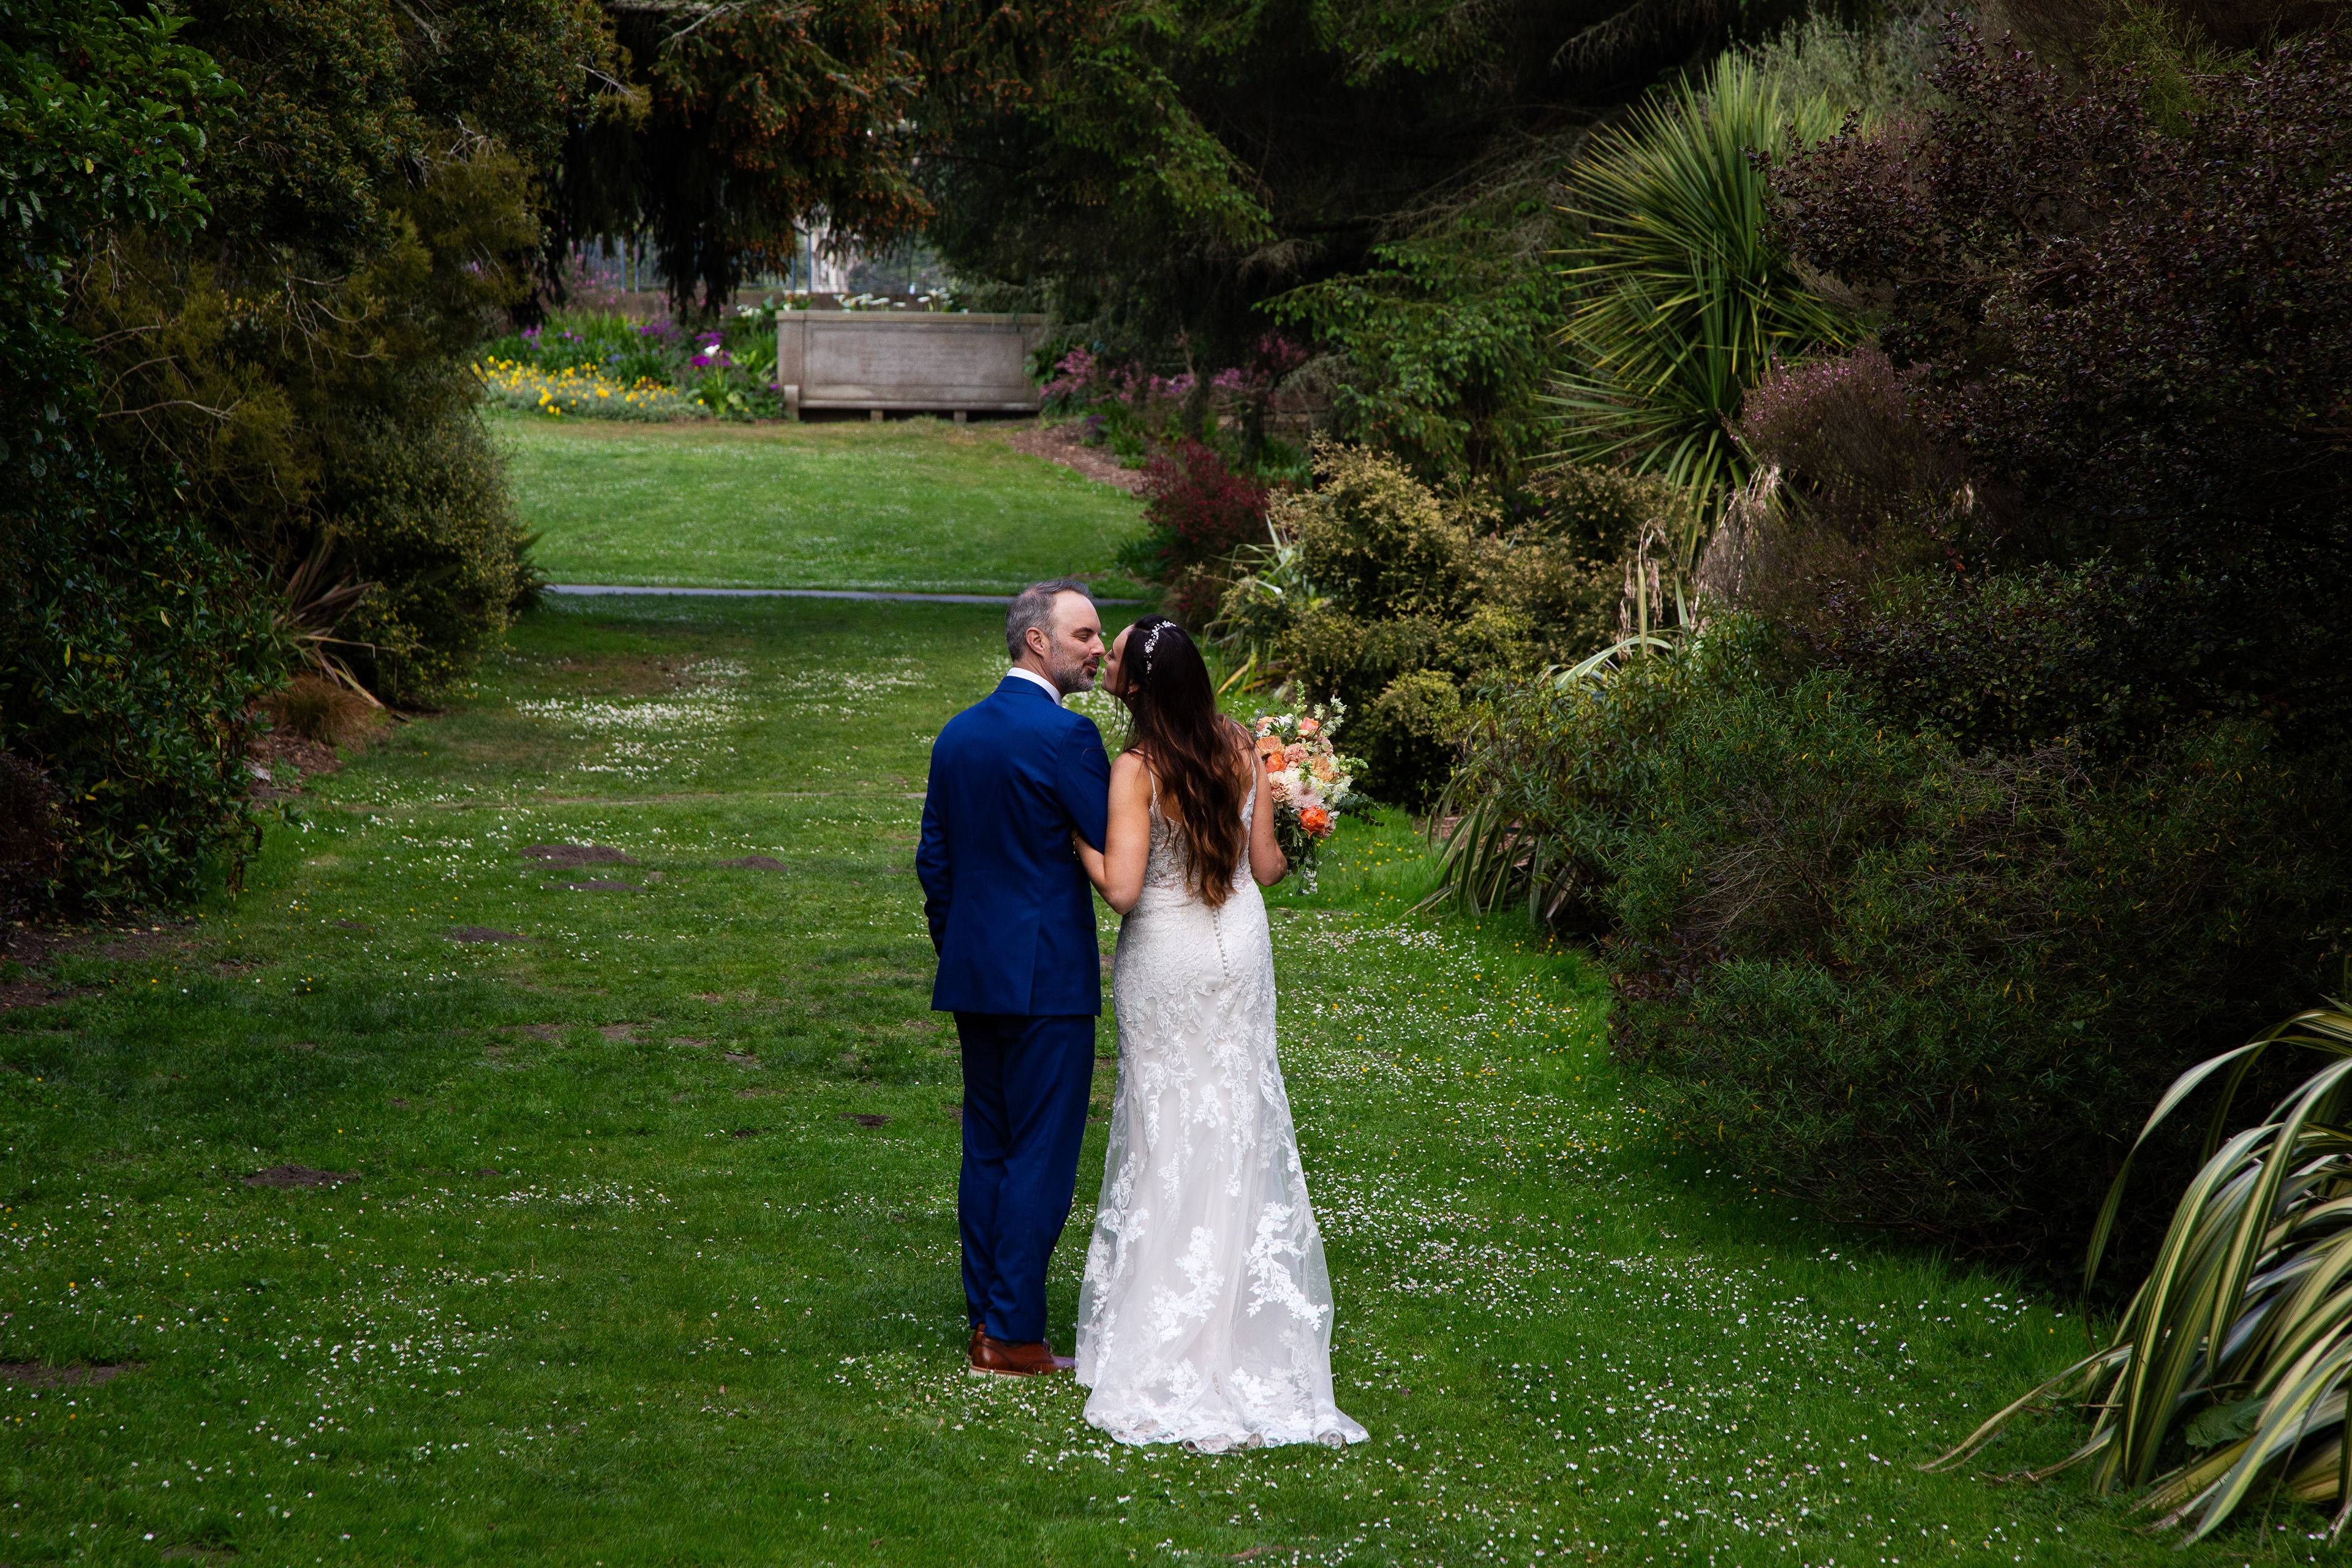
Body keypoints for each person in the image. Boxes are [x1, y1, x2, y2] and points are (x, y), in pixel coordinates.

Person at [1071, 614, 1367, 1450]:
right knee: (1238, 1113)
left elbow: (1123, 889)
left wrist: (1075, 840)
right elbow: (1265, 867)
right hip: (1239, 945)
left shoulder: (1137, 767)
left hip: (1168, 953)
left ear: (1138, 685)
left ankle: (1168, 1313)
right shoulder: (1241, 746)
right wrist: (1303, 818)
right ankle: (1238, 1315)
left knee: (1166, 1119)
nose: (1107, 661)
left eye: (1116, 656)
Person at [917, 579, 1110, 1377]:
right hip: (1049, 979)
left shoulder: (957, 734)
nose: (1098, 650)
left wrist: (962, 945)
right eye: (1085, 636)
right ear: (1039, 640)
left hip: (974, 974)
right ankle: (1013, 1334)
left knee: (989, 1150)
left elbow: (934, 861)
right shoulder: (1069, 738)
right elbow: (1115, 845)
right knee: (1040, 1154)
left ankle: (987, 1322)